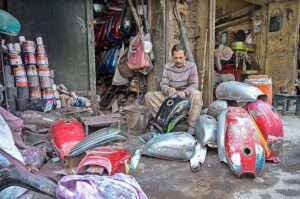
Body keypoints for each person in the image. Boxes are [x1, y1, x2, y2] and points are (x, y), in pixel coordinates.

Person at [145, 44, 203, 134]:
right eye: (175, 58)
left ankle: (191, 125)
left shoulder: (191, 66)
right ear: (172, 57)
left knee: (197, 94)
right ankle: (164, 121)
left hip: (185, 98)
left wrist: (185, 92)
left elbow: (194, 84)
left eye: (181, 57)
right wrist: (168, 89)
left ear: (185, 56)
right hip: (172, 97)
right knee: (149, 96)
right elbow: (163, 84)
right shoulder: (167, 67)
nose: (178, 60)